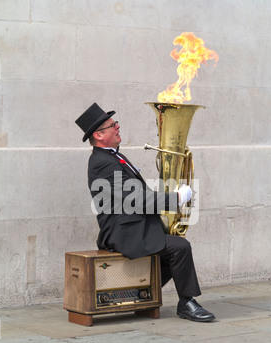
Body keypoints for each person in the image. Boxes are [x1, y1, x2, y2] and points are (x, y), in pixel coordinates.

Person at [75, 103, 215, 322]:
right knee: (180, 248)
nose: (117, 127)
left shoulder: (112, 157)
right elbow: (137, 200)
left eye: (115, 123)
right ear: (99, 135)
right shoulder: (103, 163)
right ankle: (186, 302)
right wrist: (176, 199)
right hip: (122, 232)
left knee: (173, 251)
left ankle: (138, 294)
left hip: (134, 226)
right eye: (112, 125)